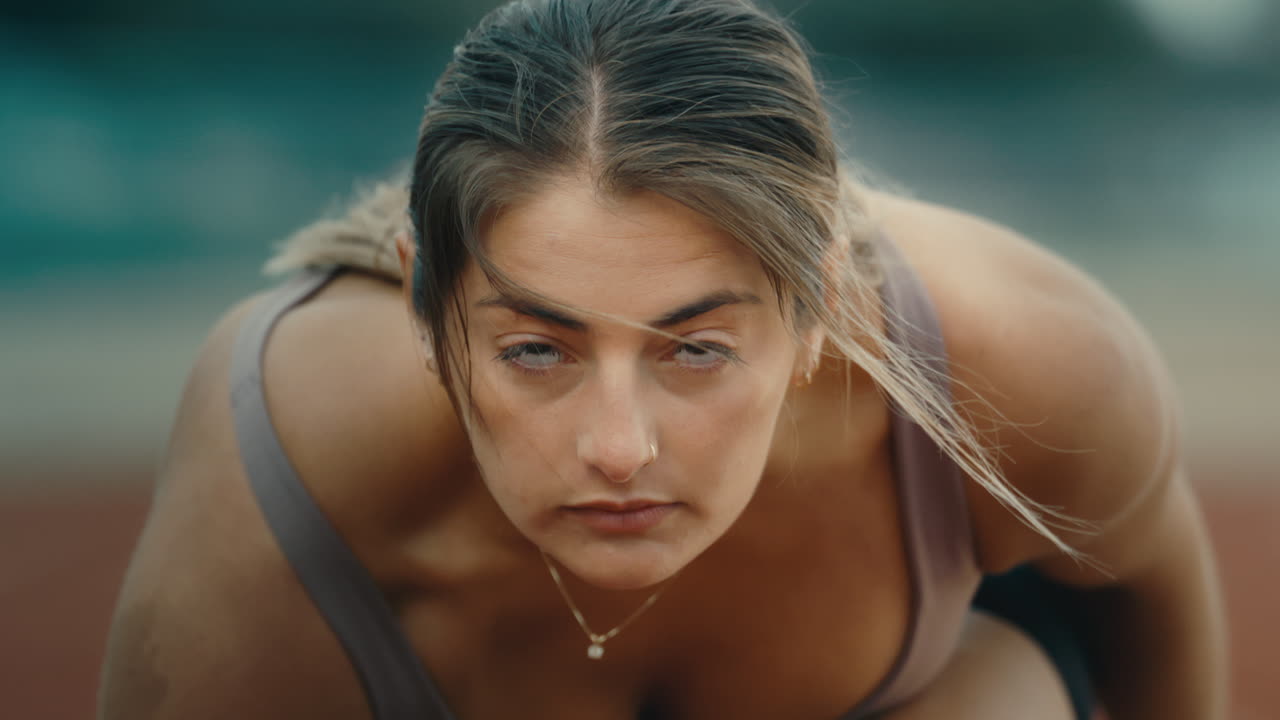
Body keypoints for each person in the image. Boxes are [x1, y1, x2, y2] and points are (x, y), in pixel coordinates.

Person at [98, 0, 1227, 718]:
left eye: (695, 348)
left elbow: (1150, 599)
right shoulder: (289, 452)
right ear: (430, 304)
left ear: (817, 303)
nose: (617, 449)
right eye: (536, 348)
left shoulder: (1022, 364)